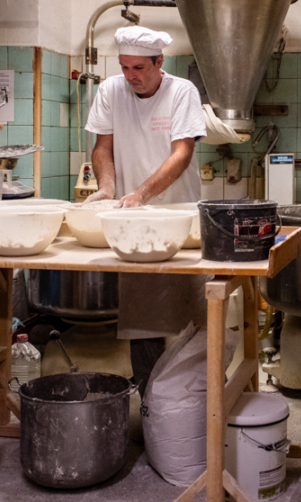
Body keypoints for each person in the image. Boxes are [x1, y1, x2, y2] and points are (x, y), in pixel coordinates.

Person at [84, 25, 208, 397]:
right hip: (134, 226)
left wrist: (141, 193)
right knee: (144, 317)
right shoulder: (110, 91)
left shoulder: (181, 92)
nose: (130, 76)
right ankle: (152, 402)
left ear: (159, 63)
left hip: (182, 221)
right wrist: (107, 187)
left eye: (139, 68)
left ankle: (197, 400)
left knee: (196, 315)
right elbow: (102, 147)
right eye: (124, 67)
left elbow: (182, 153)